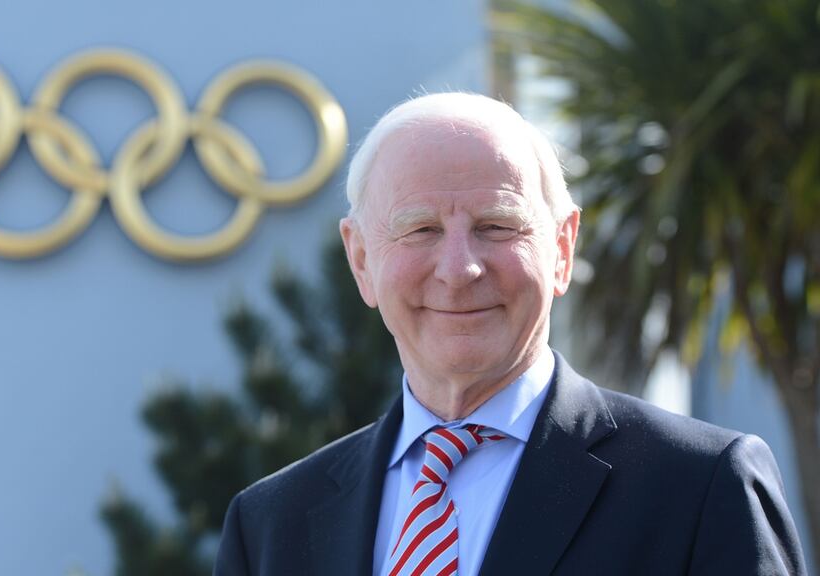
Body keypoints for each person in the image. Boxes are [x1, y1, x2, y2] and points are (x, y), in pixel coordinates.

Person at [213, 93, 806, 575]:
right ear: (362, 260)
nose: (459, 268)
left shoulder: (699, 489)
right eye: (419, 229)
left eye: (497, 226)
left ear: (563, 248)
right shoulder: (270, 523)